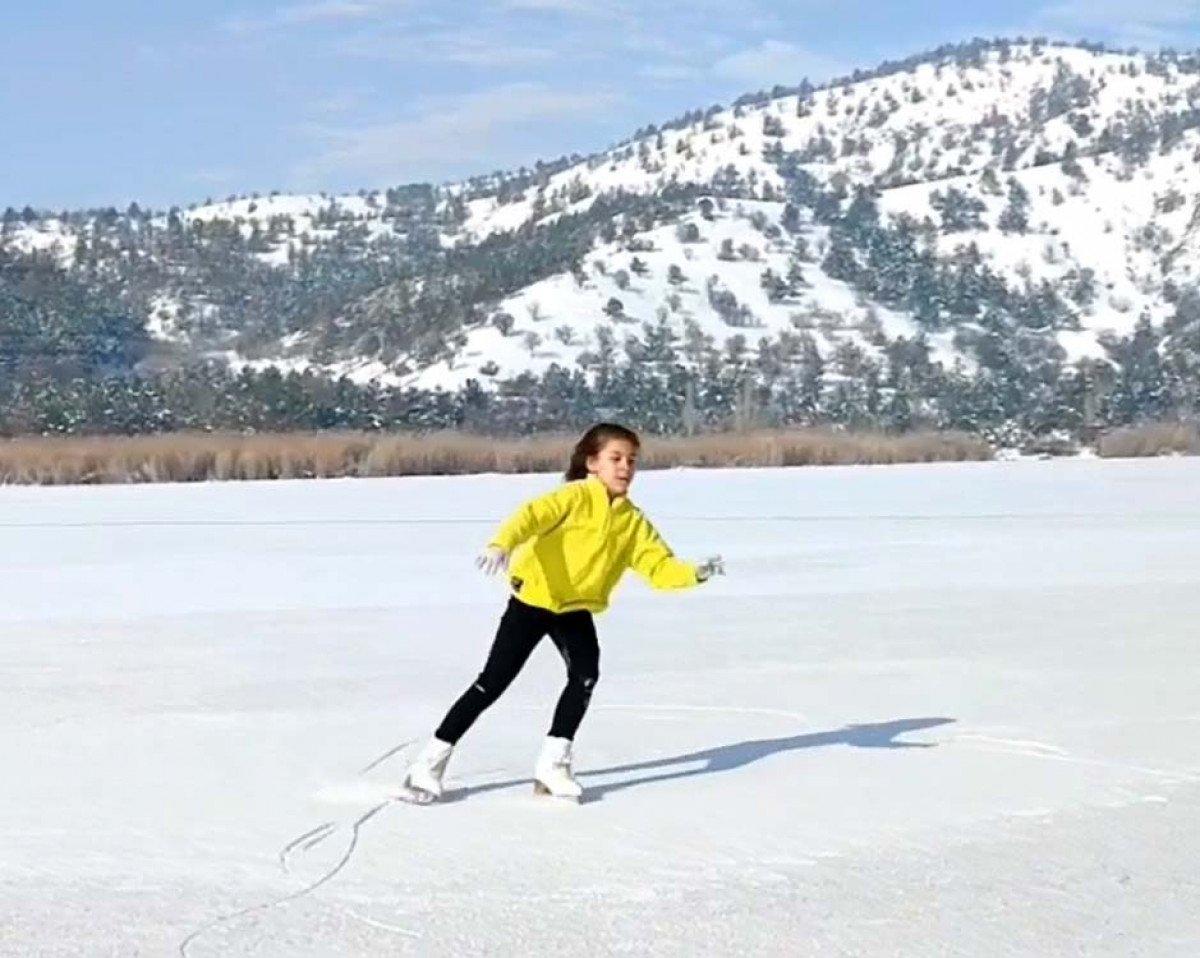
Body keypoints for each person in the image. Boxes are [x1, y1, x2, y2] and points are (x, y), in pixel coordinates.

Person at [400, 422, 724, 804]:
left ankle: (553, 766)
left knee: (585, 675)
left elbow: (659, 567)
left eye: (631, 461)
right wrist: (501, 544)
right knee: (492, 683)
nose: (625, 468)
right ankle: (429, 764)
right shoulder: (573, 498)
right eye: (615, 458)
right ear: (592, 463)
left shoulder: (632, 522)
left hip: (573, 608)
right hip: (534, 601)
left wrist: (695, 573)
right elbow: (530, 516)